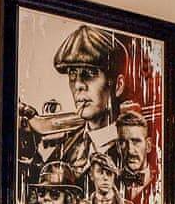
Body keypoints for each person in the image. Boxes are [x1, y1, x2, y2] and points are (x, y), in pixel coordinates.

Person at [29, 25, 128, 182]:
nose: (78, 85)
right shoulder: (67, 146)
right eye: (72, 75)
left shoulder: (132, 147)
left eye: (89, 74)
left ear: (118, 86)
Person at [115, 108, 160, 204]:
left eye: (136, 142)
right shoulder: (109, 186)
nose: (130, 150)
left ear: (148, 145)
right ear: (118, 147)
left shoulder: (161, 184)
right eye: (123, 143)